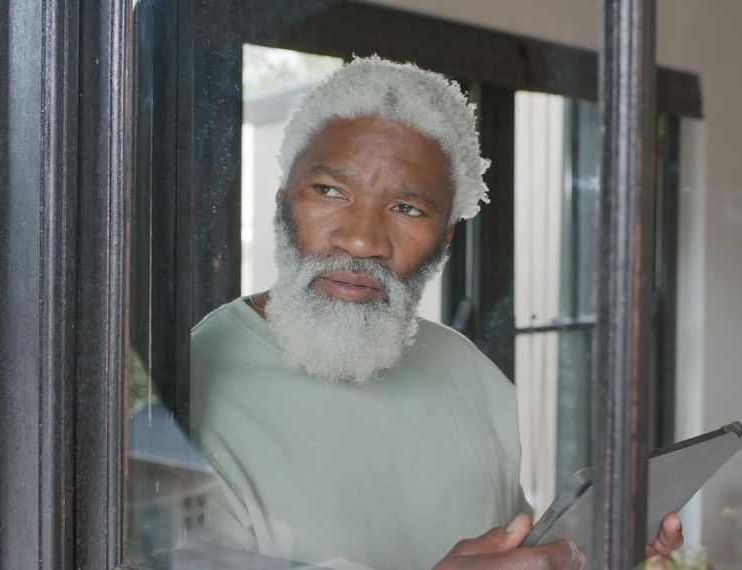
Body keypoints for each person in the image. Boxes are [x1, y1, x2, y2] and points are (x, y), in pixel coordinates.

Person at [189, 56, 683, 569]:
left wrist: (585, 554)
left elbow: (511, 551)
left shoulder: (469, 372)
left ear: (445, 238)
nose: (361, 240)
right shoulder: (188, 386)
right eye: (330, 191)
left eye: (407, 208)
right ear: (282, 202)